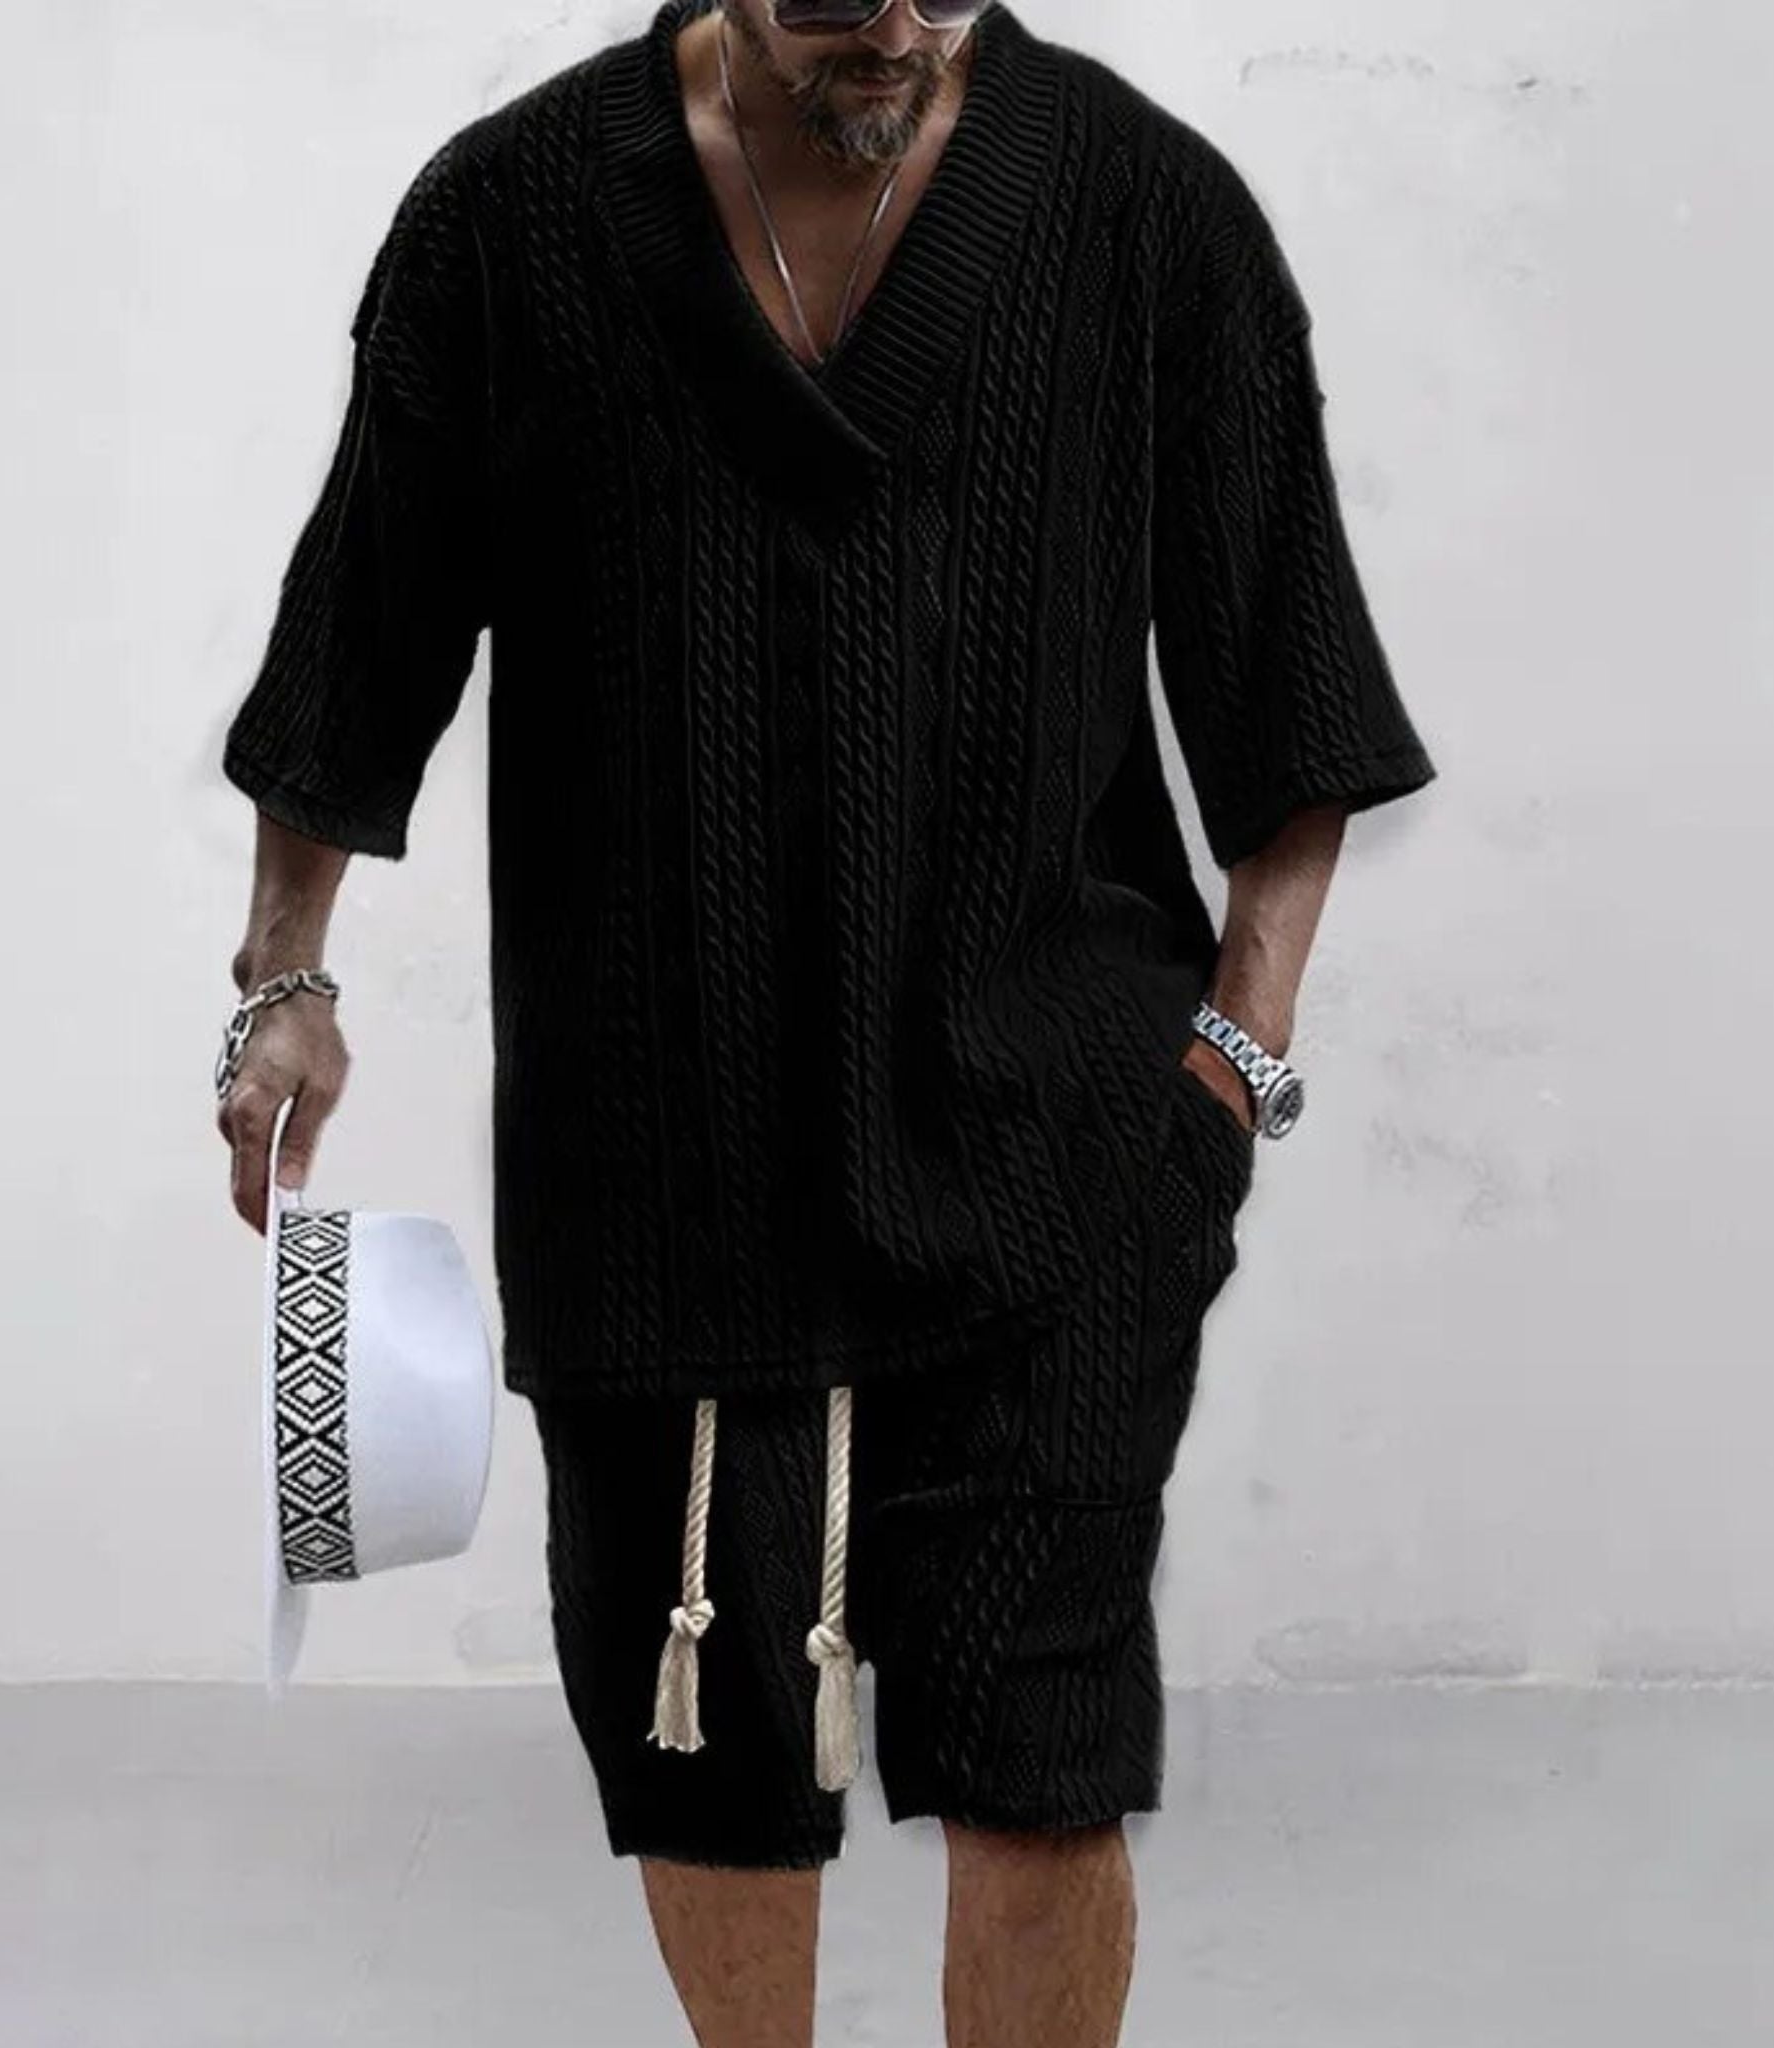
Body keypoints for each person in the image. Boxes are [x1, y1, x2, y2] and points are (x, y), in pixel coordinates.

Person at [214, 0, 1438, 2041]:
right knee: (701, 1755)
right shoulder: (508, 222)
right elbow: (360, 642)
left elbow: (1288, 693)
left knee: (1037, 1762)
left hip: (1062, 1158)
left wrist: (1231, 1067)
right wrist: (285, 978)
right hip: (656, 1153)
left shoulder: (1147, 215)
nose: (880, 25)